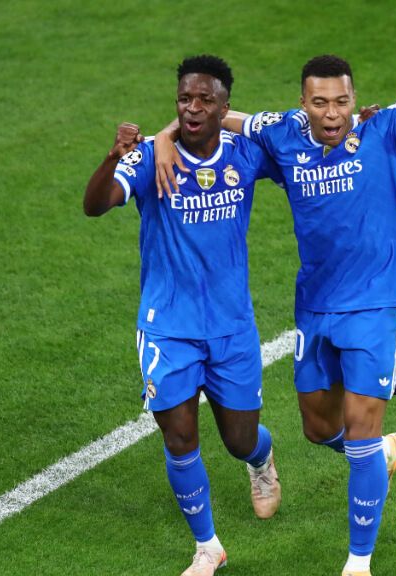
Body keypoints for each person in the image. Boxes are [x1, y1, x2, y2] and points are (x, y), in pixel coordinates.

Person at [153, 3, 396, 574]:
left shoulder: (383, 130)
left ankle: (357, 562)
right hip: (315, 305)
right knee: (319, 429)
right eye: (320, 102)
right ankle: (383, 454)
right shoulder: (283, 135)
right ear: (304, 104)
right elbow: (212, 117)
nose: (333, 112)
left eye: (341, 100)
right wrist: (165, 137)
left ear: (353, 99)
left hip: (375, 303)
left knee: (362, 430)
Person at [84, 54, 283, 576]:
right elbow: (96, 204)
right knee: (179, 436)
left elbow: (299, 148)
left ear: (223, 107)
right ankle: (207, 546)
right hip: (168, 326)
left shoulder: (245, 152)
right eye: (184, 100)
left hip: (231, 326)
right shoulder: (151, 157)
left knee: (239, 439)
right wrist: (113, 157)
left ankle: (261, 461)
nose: (192, 108)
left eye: (204, 100)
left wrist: (356, 129)